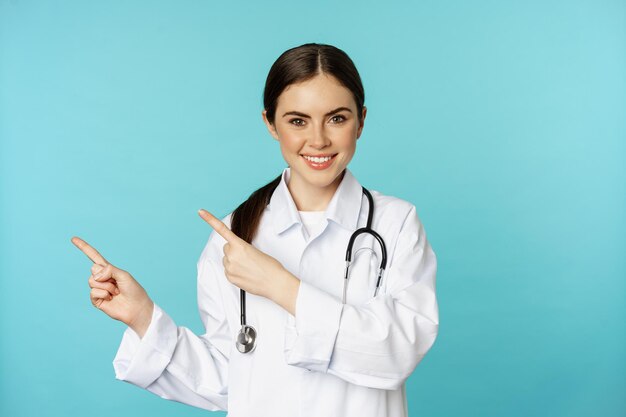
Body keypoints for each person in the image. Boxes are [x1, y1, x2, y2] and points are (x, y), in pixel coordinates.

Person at [72, 42, 439, 417]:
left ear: (360, 121)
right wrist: (143, 317)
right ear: (270, 123)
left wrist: (281, 286)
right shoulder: (234, 235)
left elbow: (398, 354)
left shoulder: (395, 224)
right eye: (298, 121)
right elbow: (228, 379)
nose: (318, 140)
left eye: (337, 118)